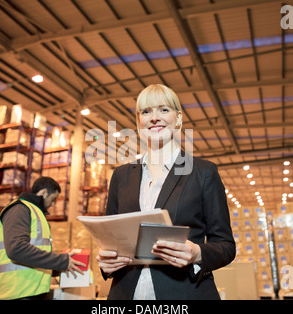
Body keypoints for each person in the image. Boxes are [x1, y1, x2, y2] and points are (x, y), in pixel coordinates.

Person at [97, 84, 236, 300]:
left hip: (185, 293)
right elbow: (111, 240)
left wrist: (197, 254)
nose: (154, 118)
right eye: (146, 111)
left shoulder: (203, 172)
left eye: (163, 110)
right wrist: (107, 263)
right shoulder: (120, 176)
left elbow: (226, 246)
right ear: (138, 121)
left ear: (178, 119)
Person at [0, 176, 85, 300]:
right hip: (17, 292)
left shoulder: (35, 212)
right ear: (44, 192)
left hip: (30, 292)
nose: (53, 204)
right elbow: (16, 249)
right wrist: (60, 261)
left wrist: (60, 267)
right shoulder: (19, 209)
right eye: (53, 199)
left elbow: (33, 256)